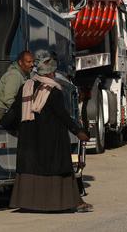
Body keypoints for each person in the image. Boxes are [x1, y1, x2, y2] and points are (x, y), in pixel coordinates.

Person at [8, 57, 93, 213]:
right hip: (51, 139)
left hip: (29, 140)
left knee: (32, 168)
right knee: (59, 168)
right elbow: (63, 115)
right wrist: (79, 132)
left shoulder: (26, 87)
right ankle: (71, 202)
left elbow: (15, 111)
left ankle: (31, 203)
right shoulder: (53, 91)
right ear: (52, 73)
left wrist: (4, 124)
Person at [0, 50, 34, 123]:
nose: (32, 64)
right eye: (29, 62)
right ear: (20, 62)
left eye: (33, 62)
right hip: (2, 113)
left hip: (9, 111)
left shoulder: (25, 74)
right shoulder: (14, 75)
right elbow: (8, 99)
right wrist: (23, 111)